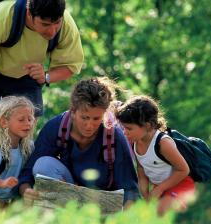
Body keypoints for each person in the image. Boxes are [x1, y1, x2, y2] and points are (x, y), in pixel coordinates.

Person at [0, 0, 84, 141]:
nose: (52, 31)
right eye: (45, 24)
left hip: (27, 77)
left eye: (57, 23)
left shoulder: (66, 23)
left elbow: (71, 65)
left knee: (21, 139)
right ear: (29, 14)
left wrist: (46, 76)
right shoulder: (1, 17)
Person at [18, 77, 140, 208]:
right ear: (73, 111)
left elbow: (130, 189)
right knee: (43, 164)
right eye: (85, 117)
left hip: (103, 200)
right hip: (69, 195)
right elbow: (27, 174)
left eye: (96, 118)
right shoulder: (56, 128)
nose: (90, 125)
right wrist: (26, 191)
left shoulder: (114, 136)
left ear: (105, 113)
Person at [115, 95, 195, 216]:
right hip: (160, 188)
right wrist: (145, 192)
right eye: (124, 128)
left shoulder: (162, 143)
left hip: (180, 185)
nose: (124, 132)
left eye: (129, 128)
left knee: (161, 212)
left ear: (147, 126)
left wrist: (161, 188)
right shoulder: (135, 142)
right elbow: (141, 169)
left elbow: (183, 170)